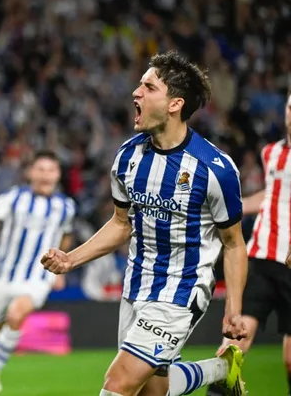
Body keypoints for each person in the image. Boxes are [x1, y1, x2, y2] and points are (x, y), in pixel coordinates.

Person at [41, 51, 249, 396]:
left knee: (118, 384)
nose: (136, 93)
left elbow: (234, 242)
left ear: (174, 104)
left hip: (182, 290)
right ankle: (220, 369)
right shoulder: (128, 156)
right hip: (136, 285)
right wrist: (70, 258)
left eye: (148, 87)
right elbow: (121, 224)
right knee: (152, 392)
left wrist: (234, 310)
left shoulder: (215, 168)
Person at [0, 150, 76, 396]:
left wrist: (60, 268)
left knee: (17, 314)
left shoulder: (65, 207)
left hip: (38, 277)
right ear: (30, 173)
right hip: (3, 276)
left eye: (51, 170)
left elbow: (65, 236)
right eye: (41, 169)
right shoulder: (13, 198)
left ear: (58, 175)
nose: (45, 175)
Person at [207, 93, 291, 396]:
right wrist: (235, 207)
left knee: (290, 360)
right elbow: (273, 196)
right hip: (260, 258)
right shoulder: (271, 153)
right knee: (233, 343)